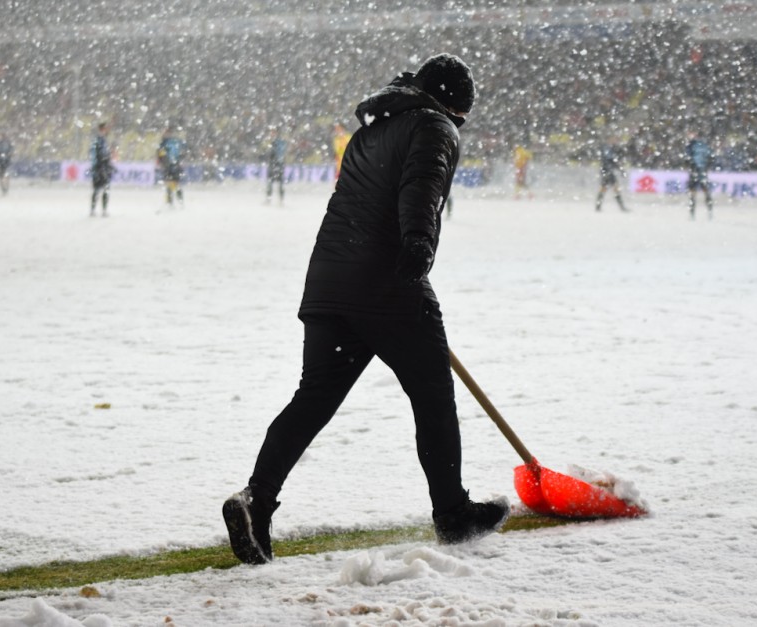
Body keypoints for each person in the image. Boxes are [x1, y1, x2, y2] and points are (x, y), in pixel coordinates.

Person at [222, 53, 510, 566]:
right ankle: (453, 513)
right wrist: (419, 246)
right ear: (454, 106)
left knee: (313, 398)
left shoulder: (372, 129)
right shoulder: (435, 126)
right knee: (433, 397)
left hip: (330, 283)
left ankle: (256, 501)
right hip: (389, 282)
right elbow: (420, 188)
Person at [595, 138, 628, 212]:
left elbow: (612, 161)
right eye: (613, 139)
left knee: (607, 188)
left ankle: (598, 206)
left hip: (607, 171)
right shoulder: (607, 149)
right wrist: (620, 169)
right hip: (607, 171)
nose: (615, 141)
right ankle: (621, 206)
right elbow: (610, 161)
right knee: (611, 188)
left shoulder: (609, 149)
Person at [686, 131, 714, 220]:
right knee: (706, 191)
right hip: (703, 171)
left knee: (692, 193)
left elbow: (687, 158)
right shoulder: (705, 145)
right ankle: (710, 212)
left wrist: (690, 166)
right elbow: (711, 157)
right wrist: (706, 167)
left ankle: (692, 214)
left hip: (695, 170)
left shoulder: (691, 145)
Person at [157, 126, 186, 207]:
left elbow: (161, 154)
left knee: (173, 184)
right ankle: (174, 202)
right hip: (170, 165)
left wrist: (163, 161)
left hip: (172, 165)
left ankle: (175, 202)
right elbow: (160, 154)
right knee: (172, 184)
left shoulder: (169, 142)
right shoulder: (171, 142)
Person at [89, 122, 114, 217]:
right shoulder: (97, 141)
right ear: (102, 129)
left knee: (105, 189)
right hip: (99, 167)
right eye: (105, 128)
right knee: (98, 189)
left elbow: (105, 154)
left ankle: (103, 210)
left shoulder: (104, 140)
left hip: (104, 167)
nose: (107, 130)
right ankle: (93, 210)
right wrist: (96, 166)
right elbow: (93, 155)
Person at [265, 129, 287, 204]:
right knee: (271, 182)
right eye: (271, 132)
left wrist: (277, 161)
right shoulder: (274, 142)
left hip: (277, 164)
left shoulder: (279, 143)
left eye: (273, 132)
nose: (272, 134)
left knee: (277, 182)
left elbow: (280, 154)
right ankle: (271, 199)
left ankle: (279, 199)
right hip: (274, 164)